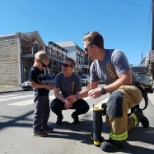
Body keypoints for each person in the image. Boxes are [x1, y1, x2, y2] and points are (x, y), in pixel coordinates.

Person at [66, 31, 149, 152]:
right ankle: (136, 118)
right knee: (115, 123)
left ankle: (118, 142)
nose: (85, 53)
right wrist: (76, 96)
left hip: (133, 89)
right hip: (117, 94)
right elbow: (91, 87)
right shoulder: (94, 66)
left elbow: (126, 78)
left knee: (116, 98)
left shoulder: (116, 55)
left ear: (94, 47)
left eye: (86, 49)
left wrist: (103, 90)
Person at [50, 57, 89, 124]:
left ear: (72, 67)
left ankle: (75, 115)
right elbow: (56, 93)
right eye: (62, 64)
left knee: (85, 107)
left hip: (74, 99)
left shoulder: (76, 78)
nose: (63, 66)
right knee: (53, 105)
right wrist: (65, 101)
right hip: (63, 99)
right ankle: (59, 116)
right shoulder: (58, 76)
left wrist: (71, 102)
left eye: (65, 65)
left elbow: (78, 94)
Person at [30, 50, 54, 137]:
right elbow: (33, 85)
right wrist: (44, 87)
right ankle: (36, 129)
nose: (44, 67)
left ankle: (44, 126)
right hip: (39, 95)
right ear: (37, 61)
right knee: (39, 112)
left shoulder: (41, 70)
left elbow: (42, 81)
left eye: (46, 66)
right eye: (43, 65)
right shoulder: (34, 70)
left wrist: (49, 85)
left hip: (45, 94)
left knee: (46, 111)